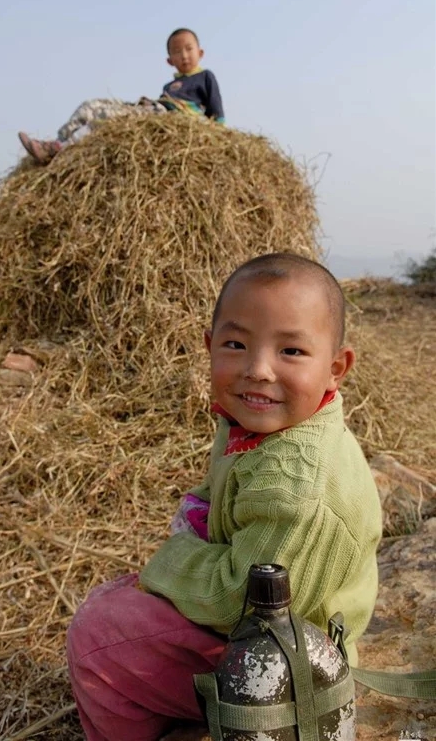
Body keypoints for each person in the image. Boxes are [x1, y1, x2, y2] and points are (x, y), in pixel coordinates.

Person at [66, 253, 382, 741]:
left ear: (336, 368)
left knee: (97, 638)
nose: (257, 370)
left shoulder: (297, 489)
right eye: (236, 344)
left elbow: (246, 606)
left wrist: (172, 562)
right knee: (116, 602)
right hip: (257, 629)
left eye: (291, 352)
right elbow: (219, 489)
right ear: (209, 346)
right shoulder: (258, 418)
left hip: (288, 672)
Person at [18, 28, 225, 164]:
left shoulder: (205, 77)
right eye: (177, 51)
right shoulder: (169, 85)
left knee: (104, 119)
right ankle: (56, 145)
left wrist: (219, 141)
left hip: (171, 118)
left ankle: (59, 152)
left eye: (189, 49)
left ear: (201, 52)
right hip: (154, 109)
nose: (184, 55)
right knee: (90, 107)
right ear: (169, 60)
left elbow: (217, 113)